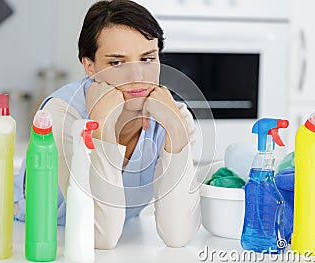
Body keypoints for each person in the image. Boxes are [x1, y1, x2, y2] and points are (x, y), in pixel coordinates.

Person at [14, 0, 201, 249]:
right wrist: (102, 127)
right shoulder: (63, 114)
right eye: (117, 63)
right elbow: (99, 236)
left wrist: (176, 131)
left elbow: (178, 236)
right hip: (24, 237)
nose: (137, 77)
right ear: (90, 67)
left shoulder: (172, 117)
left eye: (147, 59)